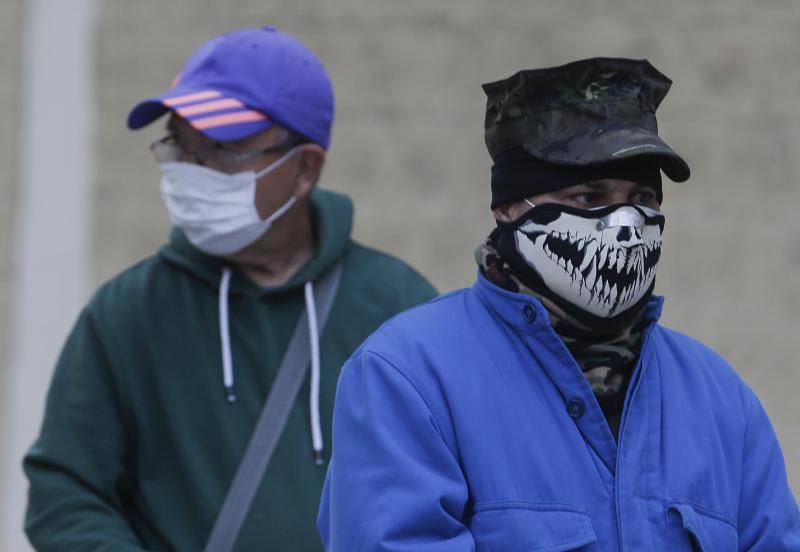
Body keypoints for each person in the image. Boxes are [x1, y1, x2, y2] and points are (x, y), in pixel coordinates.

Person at [318, 58, 800, 550]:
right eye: (590, 198)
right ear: (509, 206)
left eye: (643, 198)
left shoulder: (719, 399)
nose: (627, 225)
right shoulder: (410, 377)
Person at [24, 26, 436, 551]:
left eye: (222, 150)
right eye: (179, 145)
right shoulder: (127, 313)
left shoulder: (399, 309)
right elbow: (65, 491)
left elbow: (456, 489)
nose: (192, 173)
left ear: (304, 168)